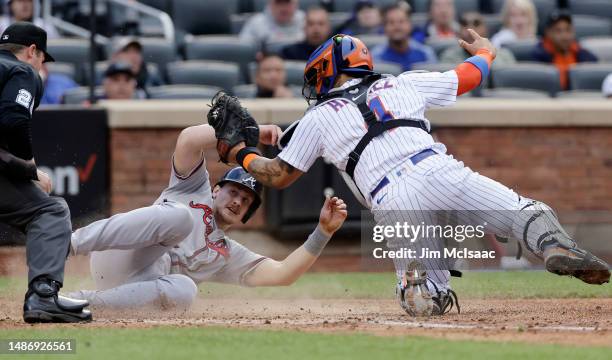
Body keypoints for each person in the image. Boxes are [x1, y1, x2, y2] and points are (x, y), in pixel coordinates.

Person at [223, 33, 610, 317]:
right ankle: (553, 246)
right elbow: (469, 76)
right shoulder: (402, 82)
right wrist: (487, 52)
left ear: (330, 69)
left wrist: (240, 152)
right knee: (526, 211)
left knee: (426, 302)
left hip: (392, 199)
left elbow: (276, 175)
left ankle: (422, 288)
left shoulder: (319, 116)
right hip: (438, 169)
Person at [68, 123, 347, 310]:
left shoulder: (226, 254)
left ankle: (81, 304)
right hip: (116, 255)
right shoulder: (192, 187)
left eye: (246, 200)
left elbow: (283, 274)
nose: (238, 201)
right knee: (180, 218)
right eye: (233, 192)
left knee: (186, 290)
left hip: (130, 291)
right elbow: (188, 140)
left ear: (248, 213)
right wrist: (252, 132)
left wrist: (323, 232)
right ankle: (68, 243)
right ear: (215, 190)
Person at [0, 22, 91, 323]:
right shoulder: (23, 71)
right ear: (32, 51)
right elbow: (13, 122)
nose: (41, 65)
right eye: (42, 58)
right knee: (50, 211)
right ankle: (42, 297)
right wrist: (30, 170)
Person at [531, 11, 597, 90]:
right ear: (548, 32)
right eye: (558, 31)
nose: (564, 36)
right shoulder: (538, 56)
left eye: (568, 30)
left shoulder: (583, 55)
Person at [371, 3, 437, 72]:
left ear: (410, 25)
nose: (397, 26)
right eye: (391, 22)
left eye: (401, 22)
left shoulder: (426, 54)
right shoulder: (376, 56)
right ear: (384, 28)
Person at [441, 12, 516, 67]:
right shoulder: (449, 57)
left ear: (486, 29)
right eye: (464, 24)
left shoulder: (505, 55)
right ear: (458, 31)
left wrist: (486, 54)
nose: (470, 28)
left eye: (476, 24)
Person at [239, 0, 305, 50]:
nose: (283, 8)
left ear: (296, 4)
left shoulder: (306, 20)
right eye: (278, 3)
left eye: (287, 2)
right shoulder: (255, 23)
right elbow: (244, 50)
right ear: (269, 4)